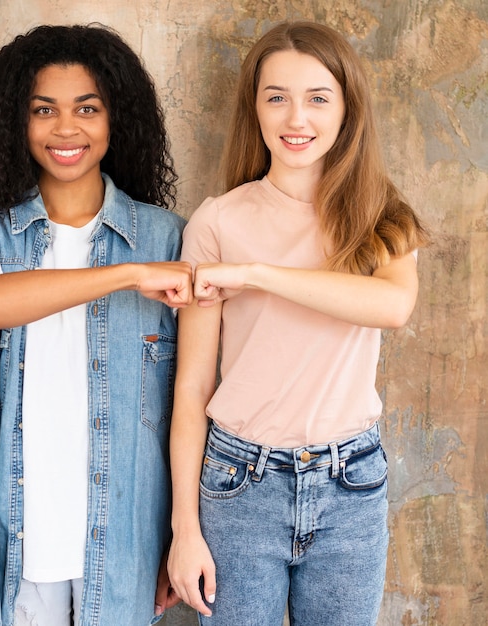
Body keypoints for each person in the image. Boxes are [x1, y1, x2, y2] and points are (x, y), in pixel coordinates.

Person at [0, 24, 190, 626]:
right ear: (16, 122)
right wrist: (125, 276)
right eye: (44, 110)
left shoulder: (165, 236)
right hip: (25, 530)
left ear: (115, 120)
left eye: (87, 109)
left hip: (127, 533)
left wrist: (179, 534)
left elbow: (189, 402)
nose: (65, 129)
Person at [167, 20, 428, 626]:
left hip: (352, 485)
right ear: (254, 109)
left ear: (346, 109)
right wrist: (185, 527)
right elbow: (192, 387)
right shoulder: (216, 223)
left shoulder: (381, 216)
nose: (296, 119)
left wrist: (256, 274)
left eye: (317, 98)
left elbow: (391, 307)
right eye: (276, 97)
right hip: (239, 484)